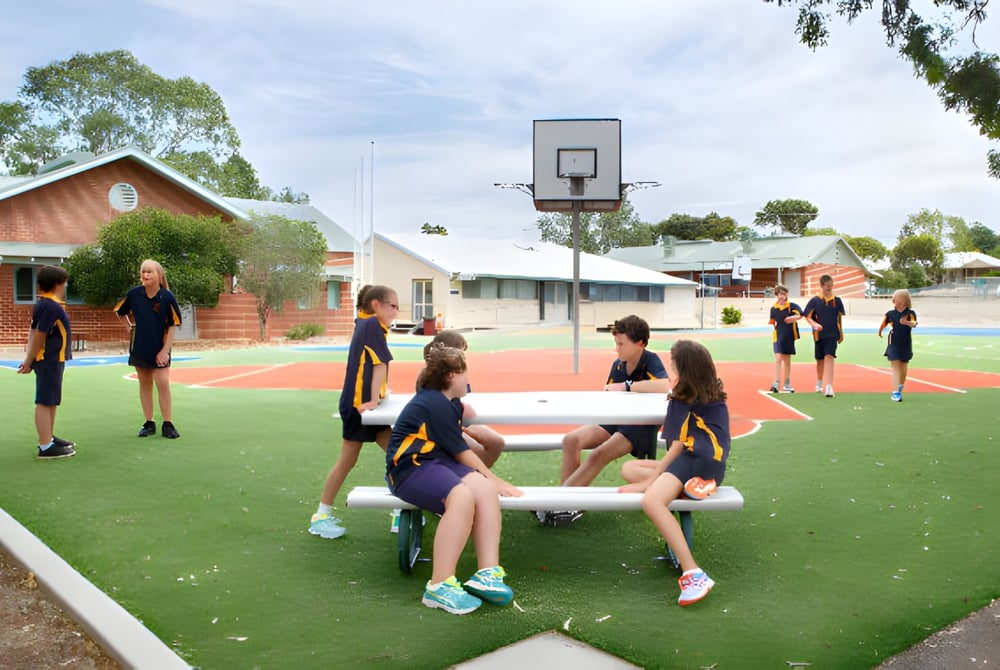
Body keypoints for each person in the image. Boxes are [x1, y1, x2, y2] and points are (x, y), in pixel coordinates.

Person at [386, 345, 522, 615]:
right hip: (410, 467)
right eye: (464, 373)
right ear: (451, 375)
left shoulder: (448, 403)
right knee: (462, 495)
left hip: (437, 462)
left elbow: (459, 427)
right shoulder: (433, 402)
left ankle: (487, 574)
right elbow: (462, 452)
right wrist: (497, 479)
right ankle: (439, 586)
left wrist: (490, 482)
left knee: (483, 489)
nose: (468, 379)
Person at [619, 339, 730, 607]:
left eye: (673, 367)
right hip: (713, 467)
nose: (671, 371)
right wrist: (656, 476)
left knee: (652, 501)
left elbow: (678, 445)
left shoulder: (681, 397)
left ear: (683, 371)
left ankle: (693, 572)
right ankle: (694, 486)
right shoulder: (712, 395)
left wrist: (653, 480)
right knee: (629, 468)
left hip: (692, 459)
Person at [309, 284, 399, 539]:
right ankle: (399, 510)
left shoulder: (365, 323)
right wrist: (373, 400)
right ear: (376, 305)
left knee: (394, 453)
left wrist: (379, 394)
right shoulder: (372, 325)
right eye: (392, 305)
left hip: (356, 404)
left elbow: (370, 365)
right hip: (359, 407)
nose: (396, 311)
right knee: (397, 454)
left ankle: (323, 514)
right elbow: (380, 364)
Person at [114, 259, 183, 438]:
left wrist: (165, 351)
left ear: (159, 275)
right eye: (143, 271)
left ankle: (167, 423)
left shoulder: (167, 297)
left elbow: (173, 325)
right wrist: (130, 328)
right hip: (140, 346)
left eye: (149, 271)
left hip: (160, 347)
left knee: (162, 382)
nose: (145, 275)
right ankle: (149, 422)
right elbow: (120, 312)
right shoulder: (134, 294)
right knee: (144, 383)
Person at [417, 330, 505, 467]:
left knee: (494, 442)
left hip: (446, 428)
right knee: (494, 444)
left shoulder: (431, 374)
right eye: (462, 354)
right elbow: (466, 412)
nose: (464, 360)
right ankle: (475, 473)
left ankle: (474, 473)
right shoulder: (444, 377)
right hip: (442, 432)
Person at [17, 265, 76, 459]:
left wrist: (29, 358)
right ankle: (45, 446)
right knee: (44, 400)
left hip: (53, 359)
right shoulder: (50, 306)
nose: (65, 286)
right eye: (64, 282)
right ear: (57, 284)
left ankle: (48, 437)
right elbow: (39, 334)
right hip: (49, 359)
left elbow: (33, 331)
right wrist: (29, 360)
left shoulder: (45, 304)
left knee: (51, 400)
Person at [802, 274, 846, 398]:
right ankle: (819, 381)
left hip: (832, 334)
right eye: (827, 286)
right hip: (819, 335)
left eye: (831, 286)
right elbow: (807, 316)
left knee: (830, 357)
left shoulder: (837, 301)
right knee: (820, 360)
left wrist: (841, 333)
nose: (830, 288)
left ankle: (829, 386)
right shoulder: (815, 301)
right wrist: (814, 324)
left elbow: (839, 318)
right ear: (821, 286)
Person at [878, 289, 918, 402]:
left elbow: (914, 323)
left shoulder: (910, 313)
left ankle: (900, 385)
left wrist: (906, 323)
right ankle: (895, 392)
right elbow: (884, 323)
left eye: (895, 299)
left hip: (905, 344)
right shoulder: (890, 314)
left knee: (903, 366)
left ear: (902, 301)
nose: (893, 302)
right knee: (895, 365)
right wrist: (880, 331)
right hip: (893, 343)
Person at [767, 285, 803, 393]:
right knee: (778, 358)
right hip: (778, 335)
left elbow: (801, 314)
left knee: (787, 360)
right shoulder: (774, 309)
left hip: (788, 335)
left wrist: (792, 318)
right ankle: (776, 382)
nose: (782, 296)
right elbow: (773, 322)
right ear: (777, 295)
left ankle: (787, 383)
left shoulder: (792, 306)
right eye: (780, 294)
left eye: (784, 294)